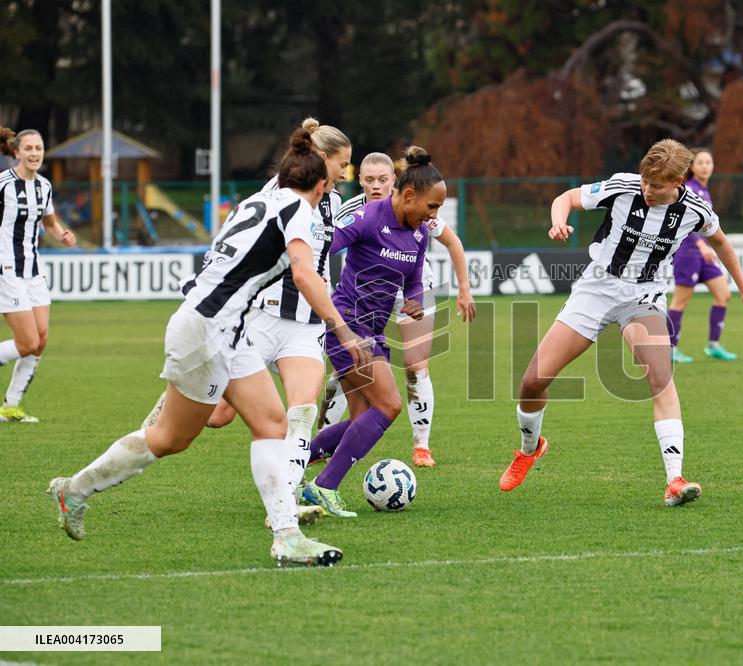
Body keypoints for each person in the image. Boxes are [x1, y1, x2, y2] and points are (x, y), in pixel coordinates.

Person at [47, 128, 371, 567]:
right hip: (209, 330)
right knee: (170, 438)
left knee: (272, 422)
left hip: (220, 327)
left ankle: (286, 536)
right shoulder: (300, 208)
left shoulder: (260, 199)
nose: (329, 191)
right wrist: (342, 329)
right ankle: (75, 490)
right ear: (319, 185)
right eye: (329, 184)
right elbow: (304, 273)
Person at [498, 139, 743, 506]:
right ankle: (530, 449)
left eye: (656, 186)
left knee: (660, 377)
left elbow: (720, 242)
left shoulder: (695, 210)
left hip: (644, 296)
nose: (647, 190)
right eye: (645, 182)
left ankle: (675, 479)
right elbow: (566, 198)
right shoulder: (623, 186)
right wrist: (558, 221)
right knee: (533, 380)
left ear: (677, 181)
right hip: (596, 288)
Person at [300, 146, 443, 516]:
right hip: (348, 323)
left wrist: (414, 301)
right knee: (390, 405)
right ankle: (325, 486)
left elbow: (413, 281)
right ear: (409, 195)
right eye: (431, 207)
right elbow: (323, 248)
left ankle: (289, 468)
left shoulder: (418, 236)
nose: (434, 215)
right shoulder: (366, 218)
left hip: (374, 330)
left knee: (360, 419)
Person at [318, 152, 476, 468]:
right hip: (365, 301)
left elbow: (453, 243)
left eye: (382, 179)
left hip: (412, 292)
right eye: (369, 179)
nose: (376, 186)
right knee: (345, 370)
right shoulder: (353, 212)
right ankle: (321, 444)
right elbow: (324, 249)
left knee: (416, 367)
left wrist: (464, 288)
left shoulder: (420, 205)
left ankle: (421, 446)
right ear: (358, 179)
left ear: (395, 180)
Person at [0, 127, 77, 423]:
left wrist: (63, 235)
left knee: (41, 340)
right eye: (29, 148)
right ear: (16, 152)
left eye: (39, 148)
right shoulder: (4, 184)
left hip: (33, 271)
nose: (34, 153)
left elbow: (51, 224)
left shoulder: (44, 186)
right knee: (27, 342)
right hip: (7, 270)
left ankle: (10, 406)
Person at [667, 148, 737, 362]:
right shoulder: (688, 190)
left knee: (723, 294)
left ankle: (713, 345)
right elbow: (684, 224)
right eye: (701, 163)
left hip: (703, 254)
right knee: (681, 301)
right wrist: (703, 245)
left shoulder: (704, 191)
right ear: (692, 167)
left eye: (708, 162)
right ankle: (669, 349)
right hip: (688, 252)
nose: (705, 166)